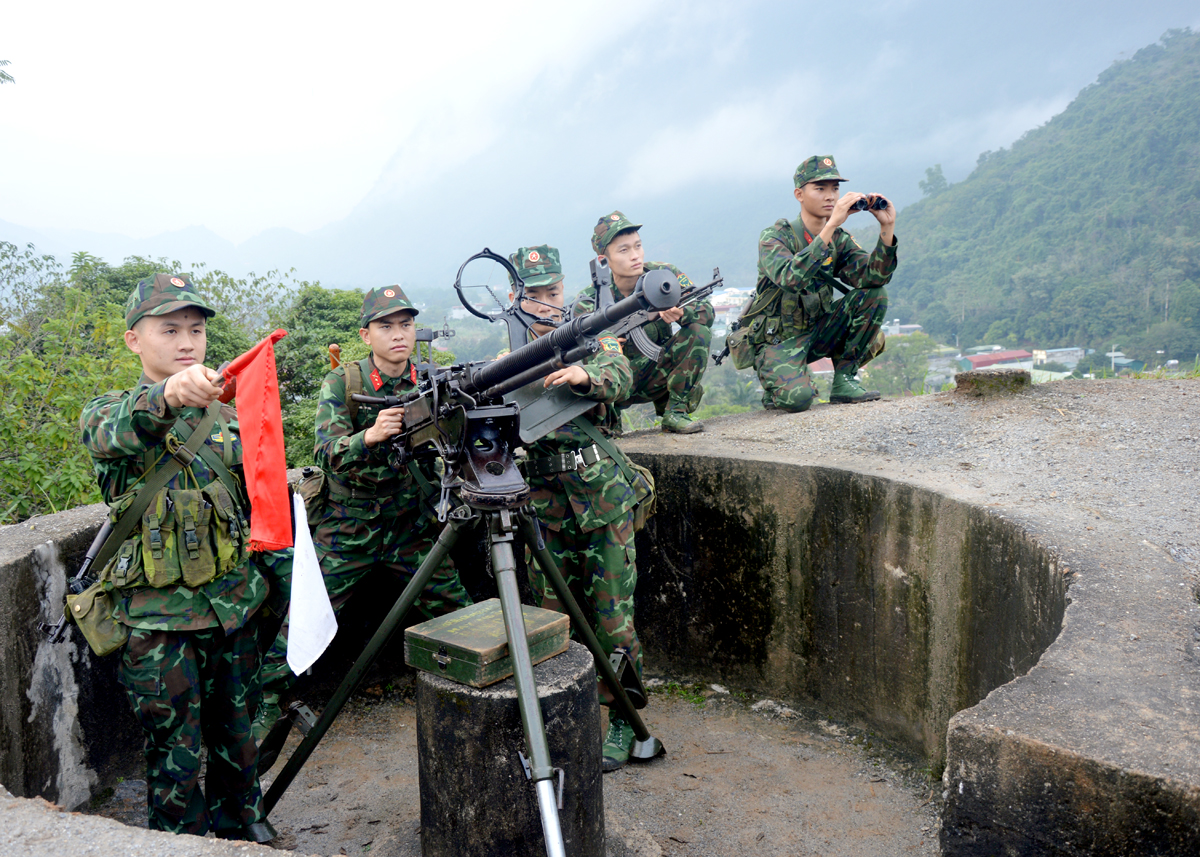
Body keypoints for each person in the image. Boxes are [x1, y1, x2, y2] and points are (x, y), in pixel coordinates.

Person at [79, 273, 278, 841]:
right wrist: (168, 395)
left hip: (231, 610)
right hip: (157, 622)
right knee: (176, 756)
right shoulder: (111, 414)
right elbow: (113, 433)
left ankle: (245, 830)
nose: (187, 341)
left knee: (239, 737)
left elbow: (257, 507)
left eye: (195, 329)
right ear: (134, 340)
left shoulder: (230, 423)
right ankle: (179, 844)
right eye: (169, 329)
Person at [254, 285, 473, 738]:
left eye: (406, 325)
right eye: (386, 326)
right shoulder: (344, 382)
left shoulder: (429, 379)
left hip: (409, 524)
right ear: (366, 334)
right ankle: (265, 704)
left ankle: (484, 687)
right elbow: (327, 452)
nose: (398, 334)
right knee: (304, 618)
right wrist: (369, 436)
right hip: (348, 528)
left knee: (458, 611)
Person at [508, 244, 647, 771]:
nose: (547, 303)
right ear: (516, 296)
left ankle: (621, 720)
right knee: (551, 619)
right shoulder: (513, 354)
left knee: (614, 622)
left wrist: (584, 376)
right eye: (535, 293)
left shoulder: (589, 333)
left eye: (554, 291)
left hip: (603, 500)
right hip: (547, 505)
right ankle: (560, 715)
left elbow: (622, 375)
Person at [740, 155, 897, 411]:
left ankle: (845, 380)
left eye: (835, 188)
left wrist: (886, 228)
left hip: (819, 332)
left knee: (875, 294)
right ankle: (776, 383)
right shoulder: (775, 237)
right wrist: (831, 224)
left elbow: (873, 278)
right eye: (820, 188)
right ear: (799, 194)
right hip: (779, 340)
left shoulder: (839, 239)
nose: (830, 196)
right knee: (798, 401)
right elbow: (790, 279)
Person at [577, 211, 714, 434]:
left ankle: (675, 412)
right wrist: (608, 348)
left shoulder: (664, 277)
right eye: (624, 250)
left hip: (656, 372)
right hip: (615, 382)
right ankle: (609, 426)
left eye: (638, 246)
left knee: (699, 331)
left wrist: (682, 314)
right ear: (604, 260)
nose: (635, 255)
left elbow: (707, 312)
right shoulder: (589, 302)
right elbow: (576, 352)